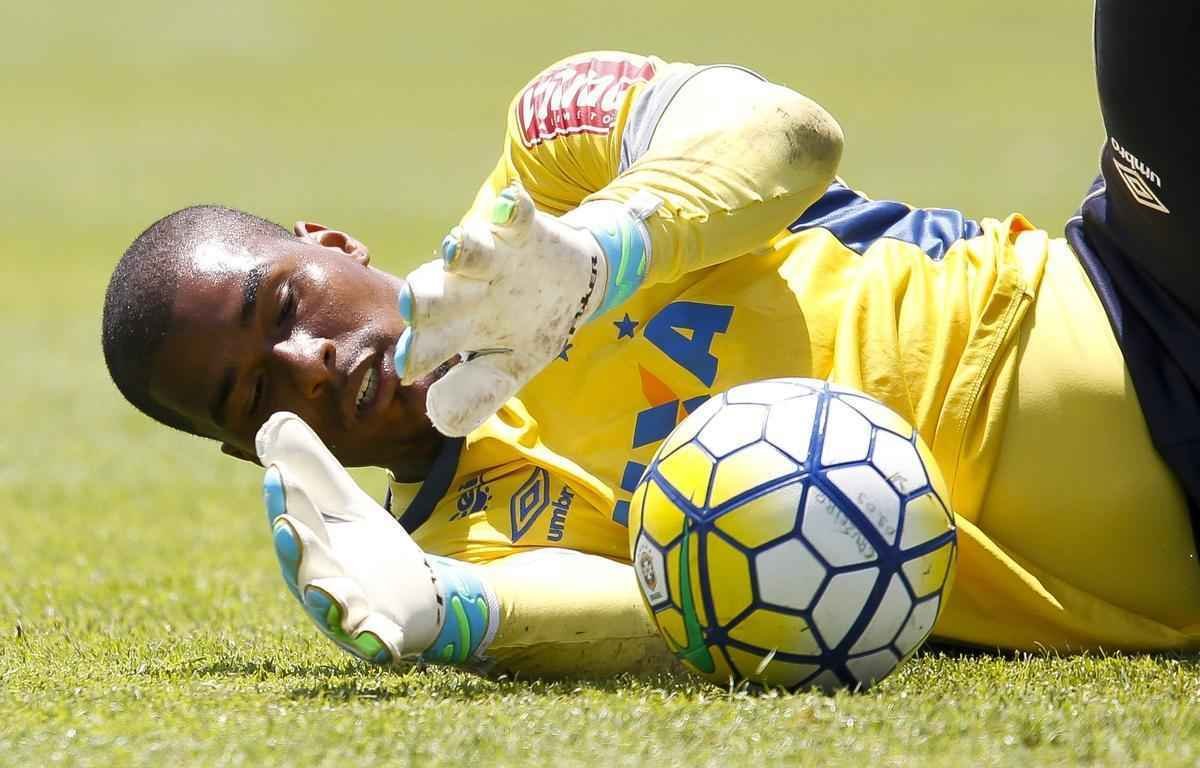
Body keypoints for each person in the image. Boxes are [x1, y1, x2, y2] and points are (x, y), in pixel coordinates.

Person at [101, 2, 1200, 682]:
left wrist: (596, 254)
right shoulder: (467, 553)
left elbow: (790, 137)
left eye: (284, 309)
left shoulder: (548, 163)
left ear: (330, 244)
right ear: (253, 454)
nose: (312, 365)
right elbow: (665, 622)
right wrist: (449, 614)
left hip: (1145, 293)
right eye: (254, 397)